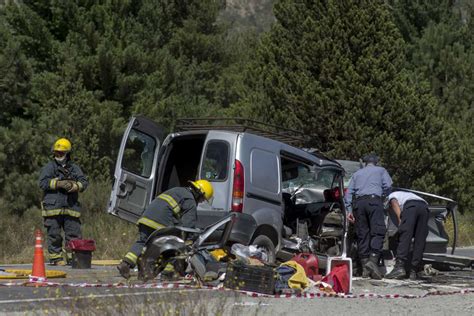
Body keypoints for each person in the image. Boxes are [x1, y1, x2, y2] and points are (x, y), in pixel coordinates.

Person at [117, 179, 214, 279]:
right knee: (176, 244)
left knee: (142, 242)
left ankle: (126, 264)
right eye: (202, 198)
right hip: (160, 223)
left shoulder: (178, 190)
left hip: (145, 218)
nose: (201, 201)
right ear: (199, 193)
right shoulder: (190, 201)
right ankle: (168, 273)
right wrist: (193, 239)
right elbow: (187, 227)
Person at [38, 138, 88, 265]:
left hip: (71, 208)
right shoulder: (49, 167)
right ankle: (56, 258)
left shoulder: (74, 168)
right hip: (53, 208)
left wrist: (76, 186)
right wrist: (58, 183)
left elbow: (84, 182)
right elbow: (42, 183)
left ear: (67, 153)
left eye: (61, 153)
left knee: (73, 234)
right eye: (56, 153)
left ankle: (73, 258)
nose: (58, 155)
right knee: (54, 234)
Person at [344, 153, 392, 279]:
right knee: (378, 231)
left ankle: (365, 267)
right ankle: (373, 260)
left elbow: (348, 194)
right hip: (374, 201)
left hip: (359, 204)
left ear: (365, 162)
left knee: (362, 234)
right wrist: (383, 196)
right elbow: (388, 186)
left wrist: (349, 210)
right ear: (376, 162)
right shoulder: (381, 170)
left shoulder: (357, 174)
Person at [384, 191, 429, 280]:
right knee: (420, 239)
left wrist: (400, 220)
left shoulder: (391, 196)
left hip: (411, 206)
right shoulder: (407, 195)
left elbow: (394, 203)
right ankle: (414, 270)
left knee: (405, 236)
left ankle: (399, 267)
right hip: (425, 207)